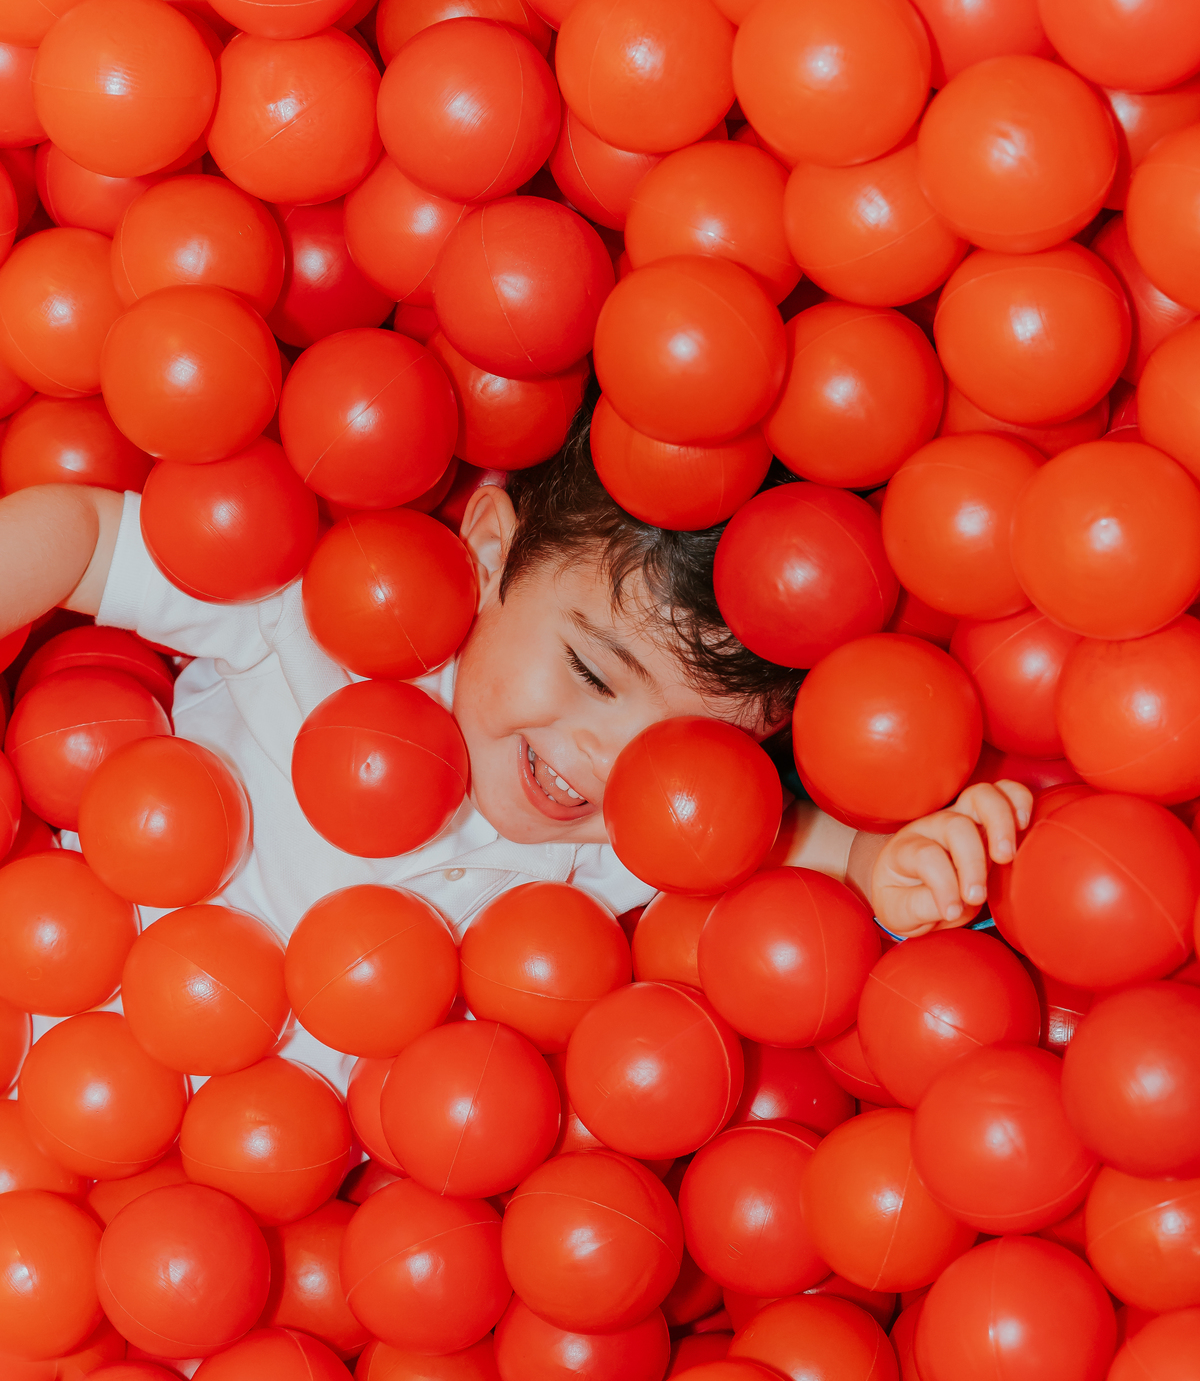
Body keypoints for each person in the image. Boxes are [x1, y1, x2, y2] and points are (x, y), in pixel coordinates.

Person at [0, 402, 1029, 1077]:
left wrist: (914, 863)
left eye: (679, 755)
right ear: (487, 556)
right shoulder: (324, 631)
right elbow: (85, 536)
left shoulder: (638, 838)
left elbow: (822, 853)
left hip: (216, 1208)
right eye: (590, 674)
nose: (602, 759)